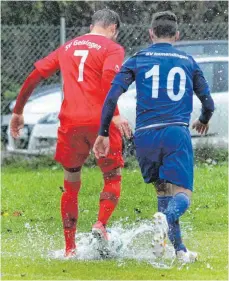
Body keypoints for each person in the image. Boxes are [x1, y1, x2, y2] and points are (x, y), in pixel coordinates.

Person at [93, 11, 214, 263]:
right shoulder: (188, 61)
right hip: (175, 132)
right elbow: (208, 102)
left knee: (163, 193)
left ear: (150, 34)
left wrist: (104, 132)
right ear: (177, 35)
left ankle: (179, 250)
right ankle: (166, 222)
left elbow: (112, 96)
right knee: (182, 193)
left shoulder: (138, 58)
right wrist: (203, 119)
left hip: (145, 136)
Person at [10, 9, 131, 258]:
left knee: (71, 184)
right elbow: (110, 78)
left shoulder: (68, 47)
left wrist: (19, 110)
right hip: (100, 121)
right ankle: (100, 224)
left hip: (71, 123)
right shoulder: (112, 47)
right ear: (114, 29)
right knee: (112, 175)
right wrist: (115, 114)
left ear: (91, 25)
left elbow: (35, 76)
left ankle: (69, 249)